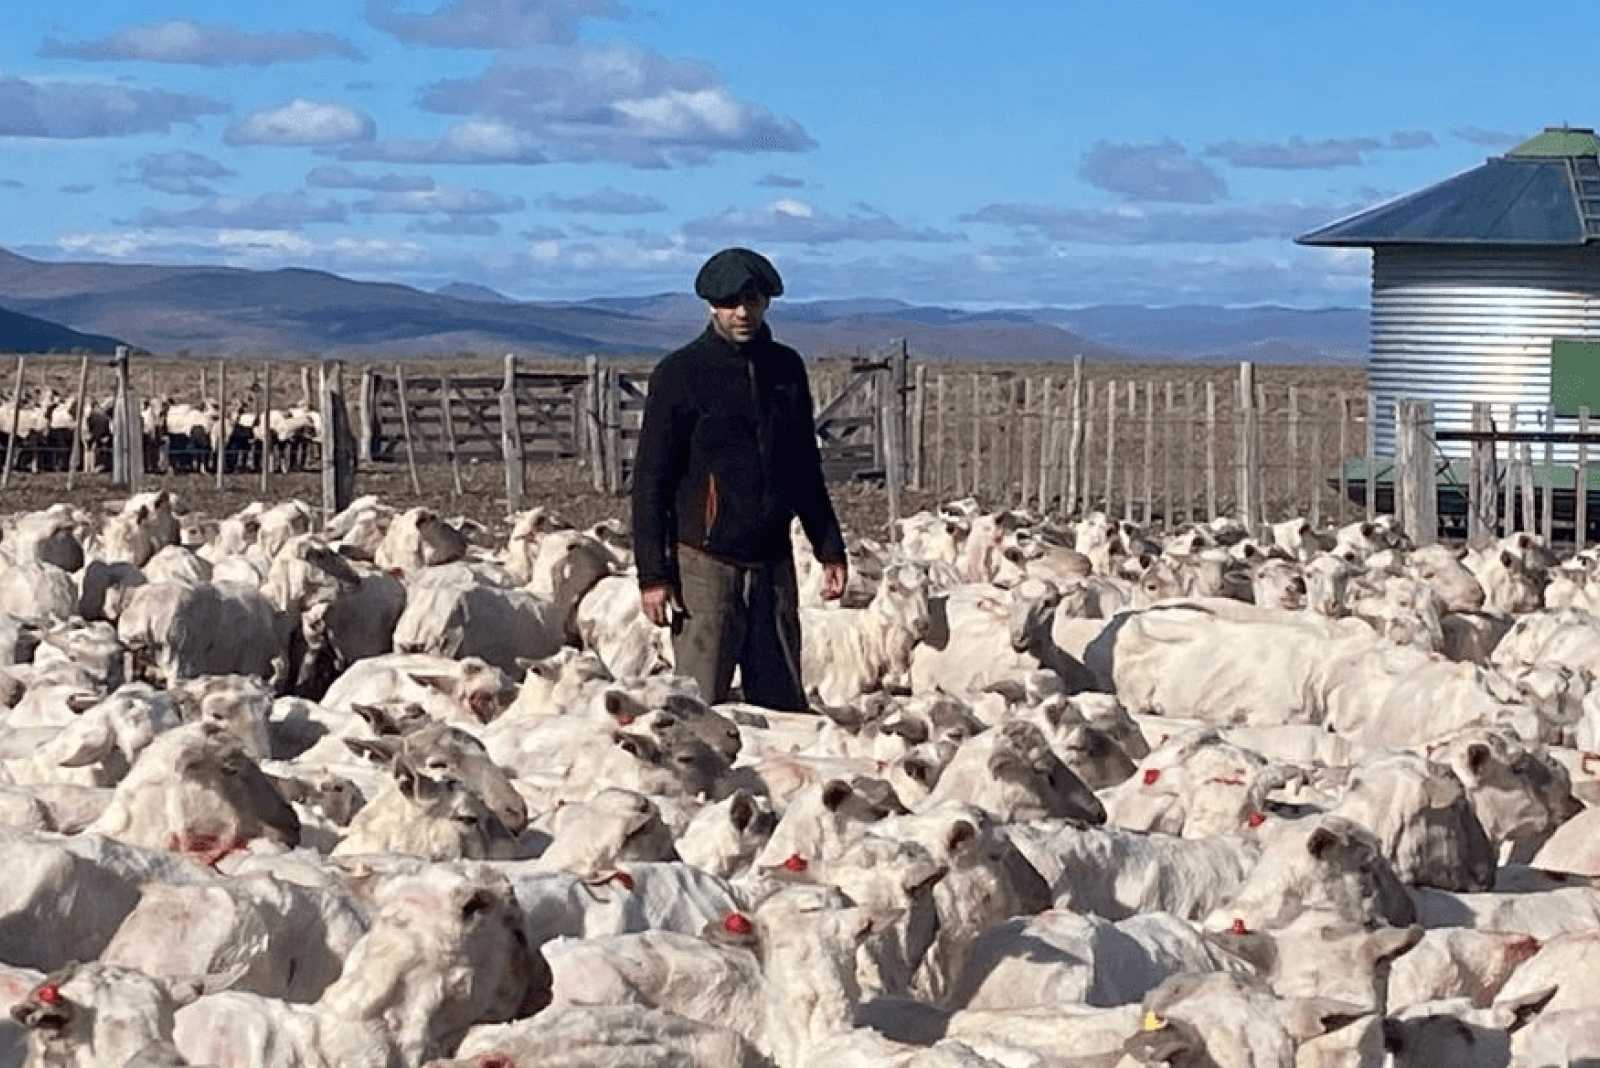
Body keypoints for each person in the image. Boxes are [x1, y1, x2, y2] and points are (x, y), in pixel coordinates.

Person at [630, 247, 848, 710]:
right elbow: (652, 479)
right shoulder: (681, 374)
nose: (742, 312)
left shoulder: (786, 369)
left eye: (753, 300)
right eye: (731, 303)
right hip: (706, 565)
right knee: (699, 704)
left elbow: (804, 465)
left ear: (767, 302)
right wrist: (654, 574)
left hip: (772, 562)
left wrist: (828, 546)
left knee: (783, 703)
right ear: (712, 305)